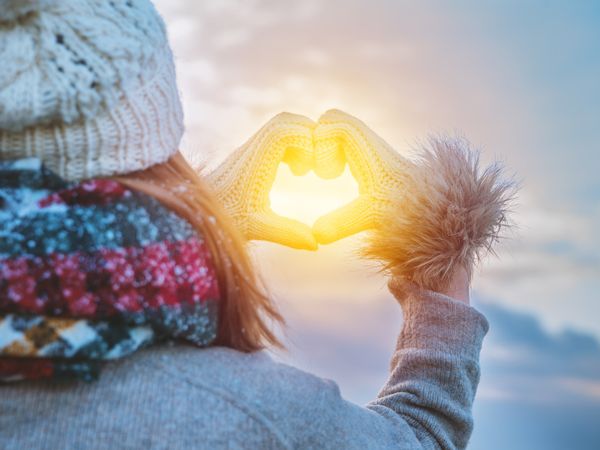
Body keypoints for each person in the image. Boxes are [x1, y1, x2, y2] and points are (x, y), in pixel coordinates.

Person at [0, 1, 513, 449]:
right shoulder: (245, 416)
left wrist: (204, 220)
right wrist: (441, 246)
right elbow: (422, 437)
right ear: (155, 149)